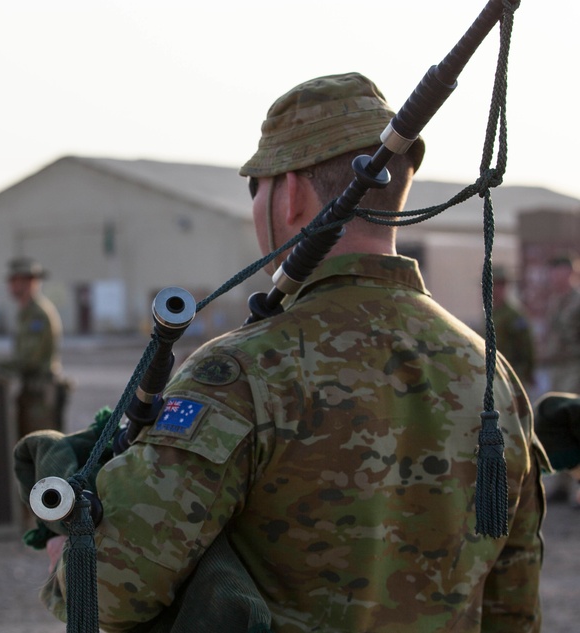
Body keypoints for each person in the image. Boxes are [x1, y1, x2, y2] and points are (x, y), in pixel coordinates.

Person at [38, 73, 546, 632]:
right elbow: (513, 607)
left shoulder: (241, 371)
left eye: (256, 187)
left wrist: (74, 542)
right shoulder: (490, 372)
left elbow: (108, 593)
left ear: (292, 193)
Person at [0, 257, 66, 438]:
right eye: (11, 281)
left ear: (30, 283)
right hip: (31, 392)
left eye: (16, 281)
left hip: (41, 395)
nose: (11, 286)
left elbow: (29, 359)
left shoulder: (38, 314)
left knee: (42, 448)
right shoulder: (25, 312)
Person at [539, 254, 580, 503]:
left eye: (559, 272)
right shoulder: (557, 302)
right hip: (557, 368)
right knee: (559, 425)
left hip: (575, 367)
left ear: (569, 273)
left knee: (574, 424)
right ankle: (561, 484)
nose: (554, 277)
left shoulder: (577, 302)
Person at [491, 265, 536, 389]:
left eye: (499, 285)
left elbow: (526, 346)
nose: (495, 289)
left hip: (512, 373)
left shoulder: (514, 315)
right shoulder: (491, 313)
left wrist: (528, 373)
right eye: (492, 285)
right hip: (493, 373)